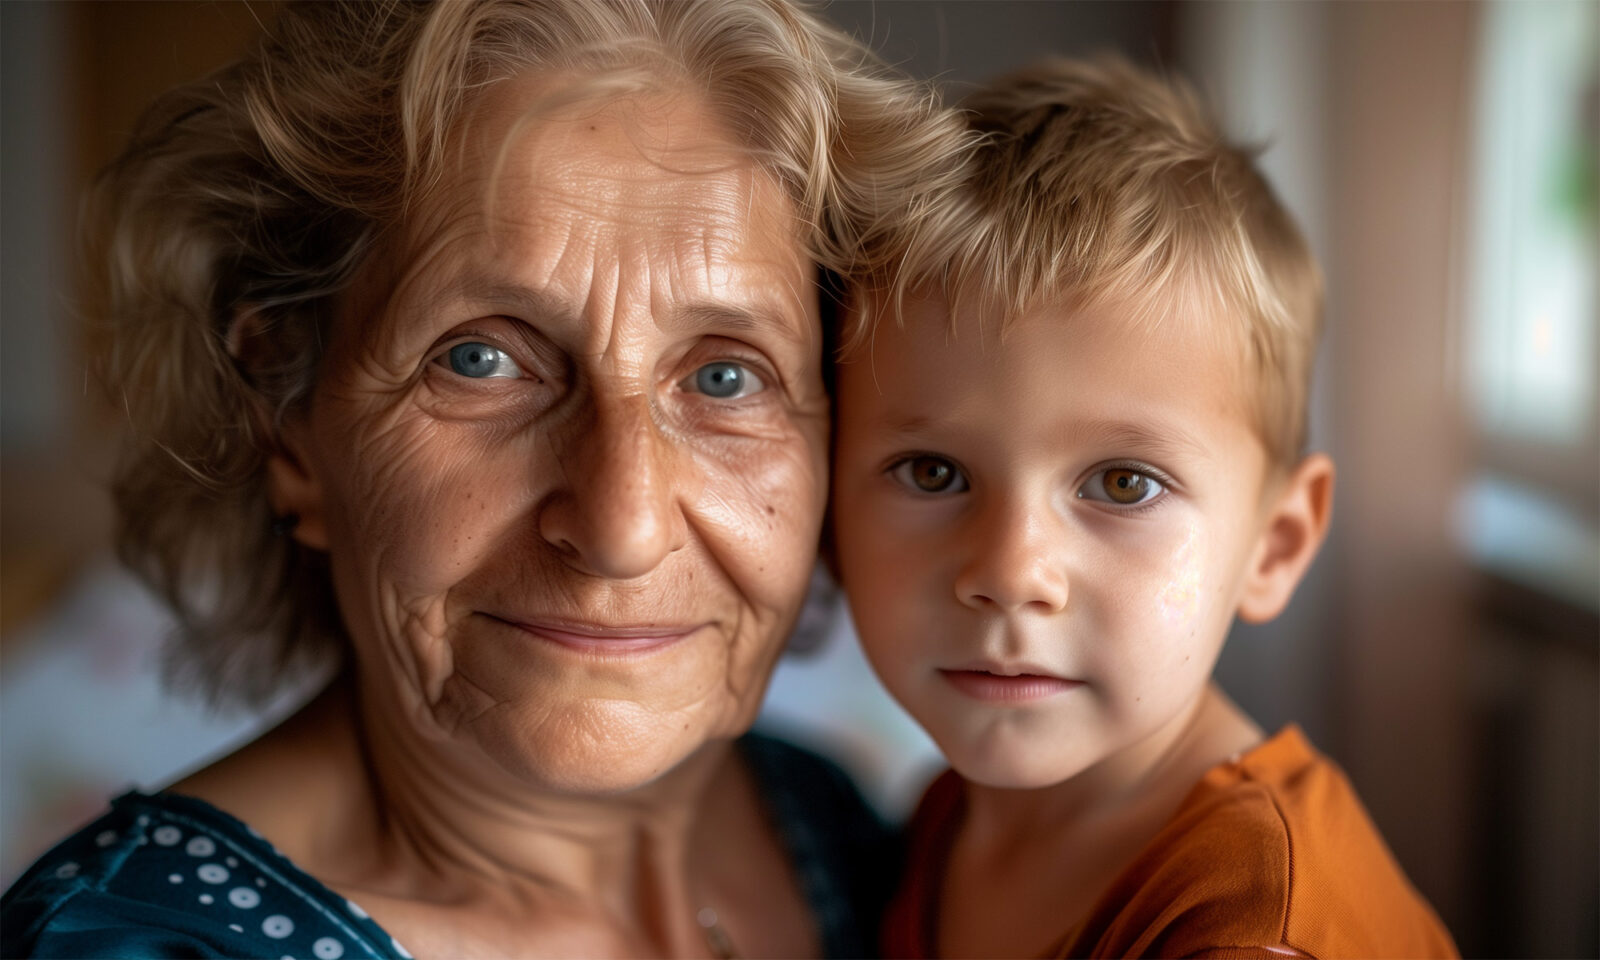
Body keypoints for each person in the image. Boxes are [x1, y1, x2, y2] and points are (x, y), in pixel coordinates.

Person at [1, 2, 973, 957]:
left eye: (725, 376)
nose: (620, 528)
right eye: (478, 361)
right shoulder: (138, 944)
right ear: (288, 421)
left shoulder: (845, 833)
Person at [831, 58, 1459, 957]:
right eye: (932, 473)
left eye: (1124, 484)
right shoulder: (950, 813)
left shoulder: (1245, 928)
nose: (1011, 573)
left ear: (1273, 545)